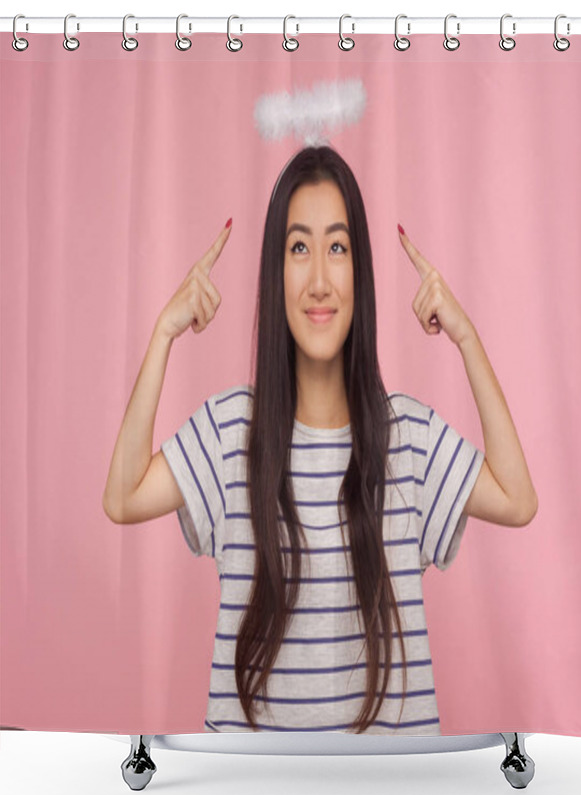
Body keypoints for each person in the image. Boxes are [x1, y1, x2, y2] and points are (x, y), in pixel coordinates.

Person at [102, 145, 537, 735]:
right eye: (298, 248)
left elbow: (518, 499)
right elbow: (122, 497)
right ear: (275, 273)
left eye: (337, 248)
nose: (319, 279)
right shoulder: (234, 432)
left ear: (360, 271)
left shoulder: (403, 436)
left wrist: (467, 338)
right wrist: (163, 334)